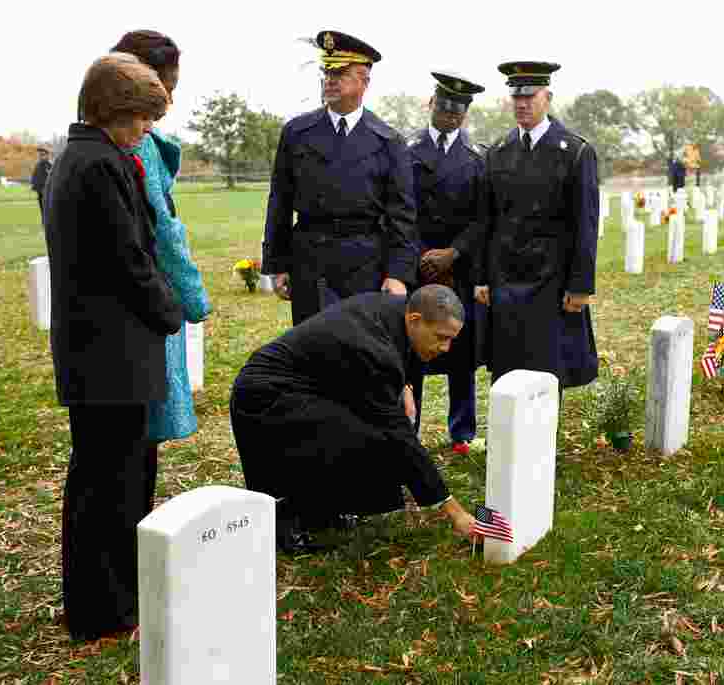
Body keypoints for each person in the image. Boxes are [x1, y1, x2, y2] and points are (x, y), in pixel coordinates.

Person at [44, 53, 181, 641]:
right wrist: (170, 310)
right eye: (141, 119)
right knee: (109, 487)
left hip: (102, 352)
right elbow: (130, 260)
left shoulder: (82, 157)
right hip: (112, 354)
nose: (145, 130)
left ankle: (112, 598)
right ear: (111, 111)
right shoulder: (98, 165)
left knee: (108, 480)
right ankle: (104, 610)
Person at [230, 285, 478, 554]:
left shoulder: (396, 311)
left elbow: (389, 355)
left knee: (370, 434)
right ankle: (286, 516)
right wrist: (455, 511)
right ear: (415, 319)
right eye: (441, 337)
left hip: (306, 389)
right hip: (266, 400)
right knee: (371, 438)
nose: (446, 347)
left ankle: (323, 508)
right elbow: (398, 435)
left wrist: (402, 384)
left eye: (451, 339)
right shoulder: (373, 349)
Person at [111, 30, 212, 515]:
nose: (169, 101)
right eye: (165, 87)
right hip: (143, 309)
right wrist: (193, 300)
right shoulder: (137, 144)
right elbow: (164, 232)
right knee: (132, 447)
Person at [262, 30, 417, 326]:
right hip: (310, 262)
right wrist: (278, 263)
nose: (330, 80)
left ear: (365, 81)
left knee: (358, 351)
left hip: (364, 265)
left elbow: (402, 216)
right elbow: (279, 201)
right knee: (311, 352)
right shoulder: (297, 132)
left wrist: (398, 274)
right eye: (327, 71)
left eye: (341, 73)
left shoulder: (389, 141)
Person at [474, 61, 599, 394]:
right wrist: (482, 278)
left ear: (548, 97)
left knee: (547, 366)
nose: (522, 103)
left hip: (551, 280)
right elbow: (488, 220)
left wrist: (581, 285)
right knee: (506, 364)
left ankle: (542, 445)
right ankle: (506, 444)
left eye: (530, 96)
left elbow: (585, 224)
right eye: (516, 97)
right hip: (506, 278)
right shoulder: (498, 152)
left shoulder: (574, 152)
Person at [406, 71, 487, 454]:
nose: (450, 114)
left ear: (465, 114)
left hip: (461, 266)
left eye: (459, 109)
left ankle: (463, 433)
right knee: (414, 348)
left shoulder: (477, 158)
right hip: (417, 266)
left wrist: (453, 254)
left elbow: (483, 218)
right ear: (431, 104)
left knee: (461, 351)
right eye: (444, 106)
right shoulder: (405, 152)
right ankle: (410, 429)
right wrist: (425, 257)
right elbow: (400, 211)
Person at [30, 147, 53, 220]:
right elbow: (35, 177)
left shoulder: (50, 166)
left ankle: (49, 221)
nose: (41, 156)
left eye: (42, 155)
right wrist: (35, 187)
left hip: (48, 191)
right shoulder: (38, 165)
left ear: (47, 155)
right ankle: (44, 221)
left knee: (49, 208)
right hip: (40, 191)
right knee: (42, 208)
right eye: (40, 155)